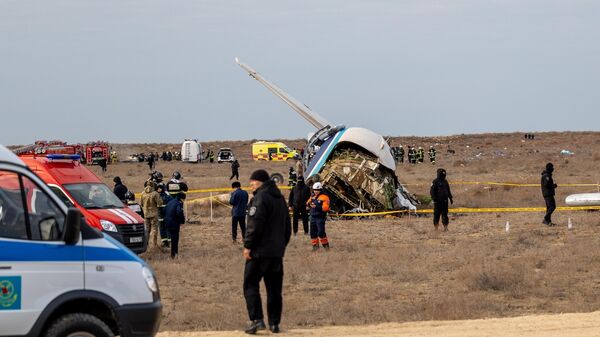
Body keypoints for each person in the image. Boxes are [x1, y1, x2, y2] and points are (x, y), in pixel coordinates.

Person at [243, 169, 291, 334]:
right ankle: (274, 324)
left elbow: (254, 225)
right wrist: (280, 247)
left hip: (258, 253)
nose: (251, 186)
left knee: (250, 284)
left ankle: (257, 320)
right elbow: (287, 228)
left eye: (253, 183)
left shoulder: (260, 198)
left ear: (261, 182)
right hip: (276, 254)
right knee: (274, 289)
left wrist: (248, 246)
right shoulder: (280, 199)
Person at [307, 182, 330, 250]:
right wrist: (309, 205)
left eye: (317, 190)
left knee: (321, 232)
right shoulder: (312, 196)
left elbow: (325, 208)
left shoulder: (325, 197)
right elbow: (307, 202)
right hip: (313, 217)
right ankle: (315, 247)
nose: (315, 191)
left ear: (320, 190)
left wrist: (316, 207)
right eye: (314, 190)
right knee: (312, 233)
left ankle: (326, 246)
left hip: (320, 217)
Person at [141, 180, 163, 251]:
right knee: (154, 230)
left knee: (147, 230)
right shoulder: (155, 193)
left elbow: (141, 204)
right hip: (154, 214)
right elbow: (160, 203)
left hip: (146, 214)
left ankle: (146, 245)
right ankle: (154, 245)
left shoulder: (142, 193)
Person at [164, 192, 186, 259]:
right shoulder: (179, 203)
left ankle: (173, 254)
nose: (184, 200)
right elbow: (179, 212)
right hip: (174, 223)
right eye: (184, 199)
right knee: (175, 240)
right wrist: (182, 221)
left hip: (167, 223)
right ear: (181, 198)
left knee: (172, 239)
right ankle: (174, 255)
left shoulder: (170, 202)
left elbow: (164, 210)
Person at [157, 183, 172, 248]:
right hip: (160, 216)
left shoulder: (167, 196)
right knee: (162, 229)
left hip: (166, 216)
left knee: (167, 229)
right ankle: (164, 242)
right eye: (158, 188)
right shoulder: (156, 196)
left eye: (160, 188)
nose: (159, 189)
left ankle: (169, 242)